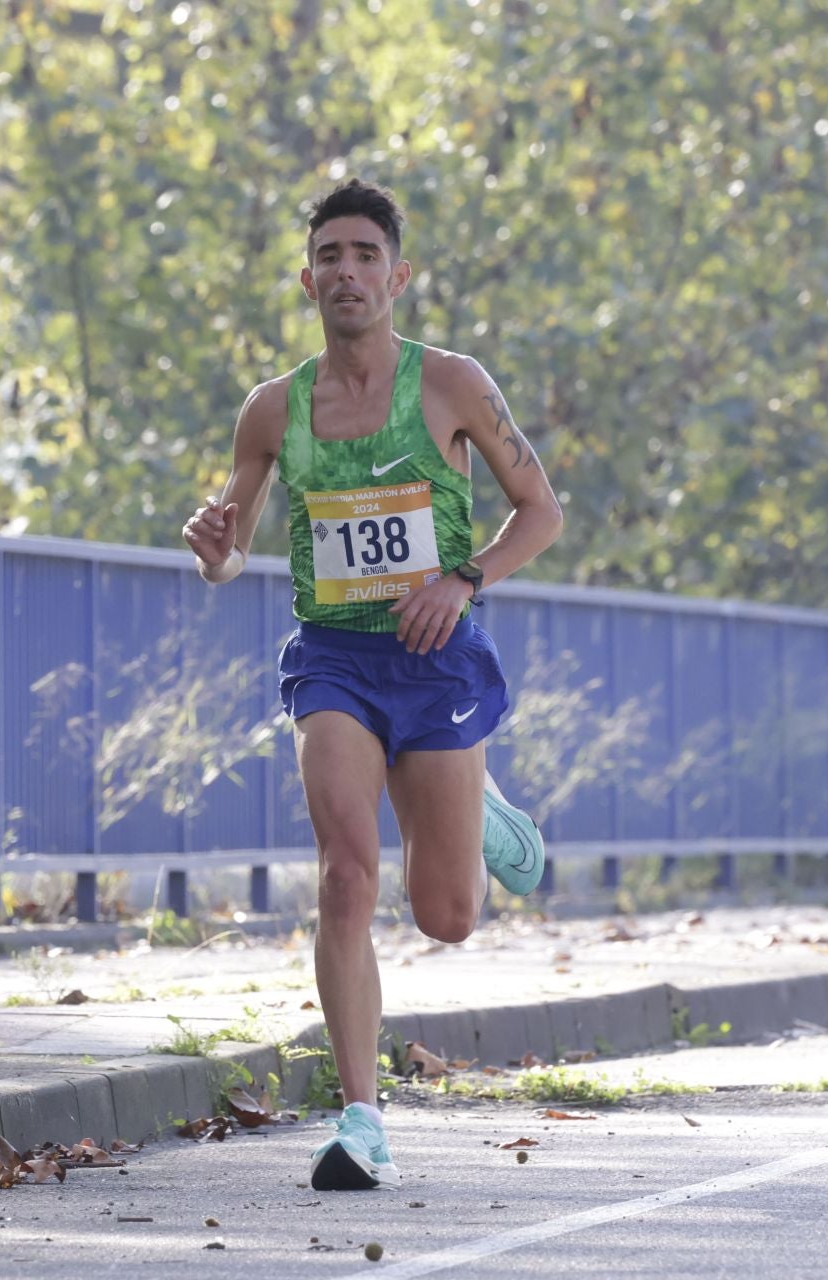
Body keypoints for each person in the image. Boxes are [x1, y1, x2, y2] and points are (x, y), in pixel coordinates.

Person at [180, 179, 562, 1191]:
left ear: (398, 277)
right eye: (329, 257)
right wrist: (215, 552)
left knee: (448, 914)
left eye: (366, 255)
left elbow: (540, 511)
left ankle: (477, 801)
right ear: (308, 281)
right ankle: (361, 1120)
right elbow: (232, 549)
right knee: (346, 873)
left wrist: (462, 578)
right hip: (334, 659)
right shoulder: (274, 408)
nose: (347, 272)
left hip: (435, 658)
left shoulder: (452, 384)